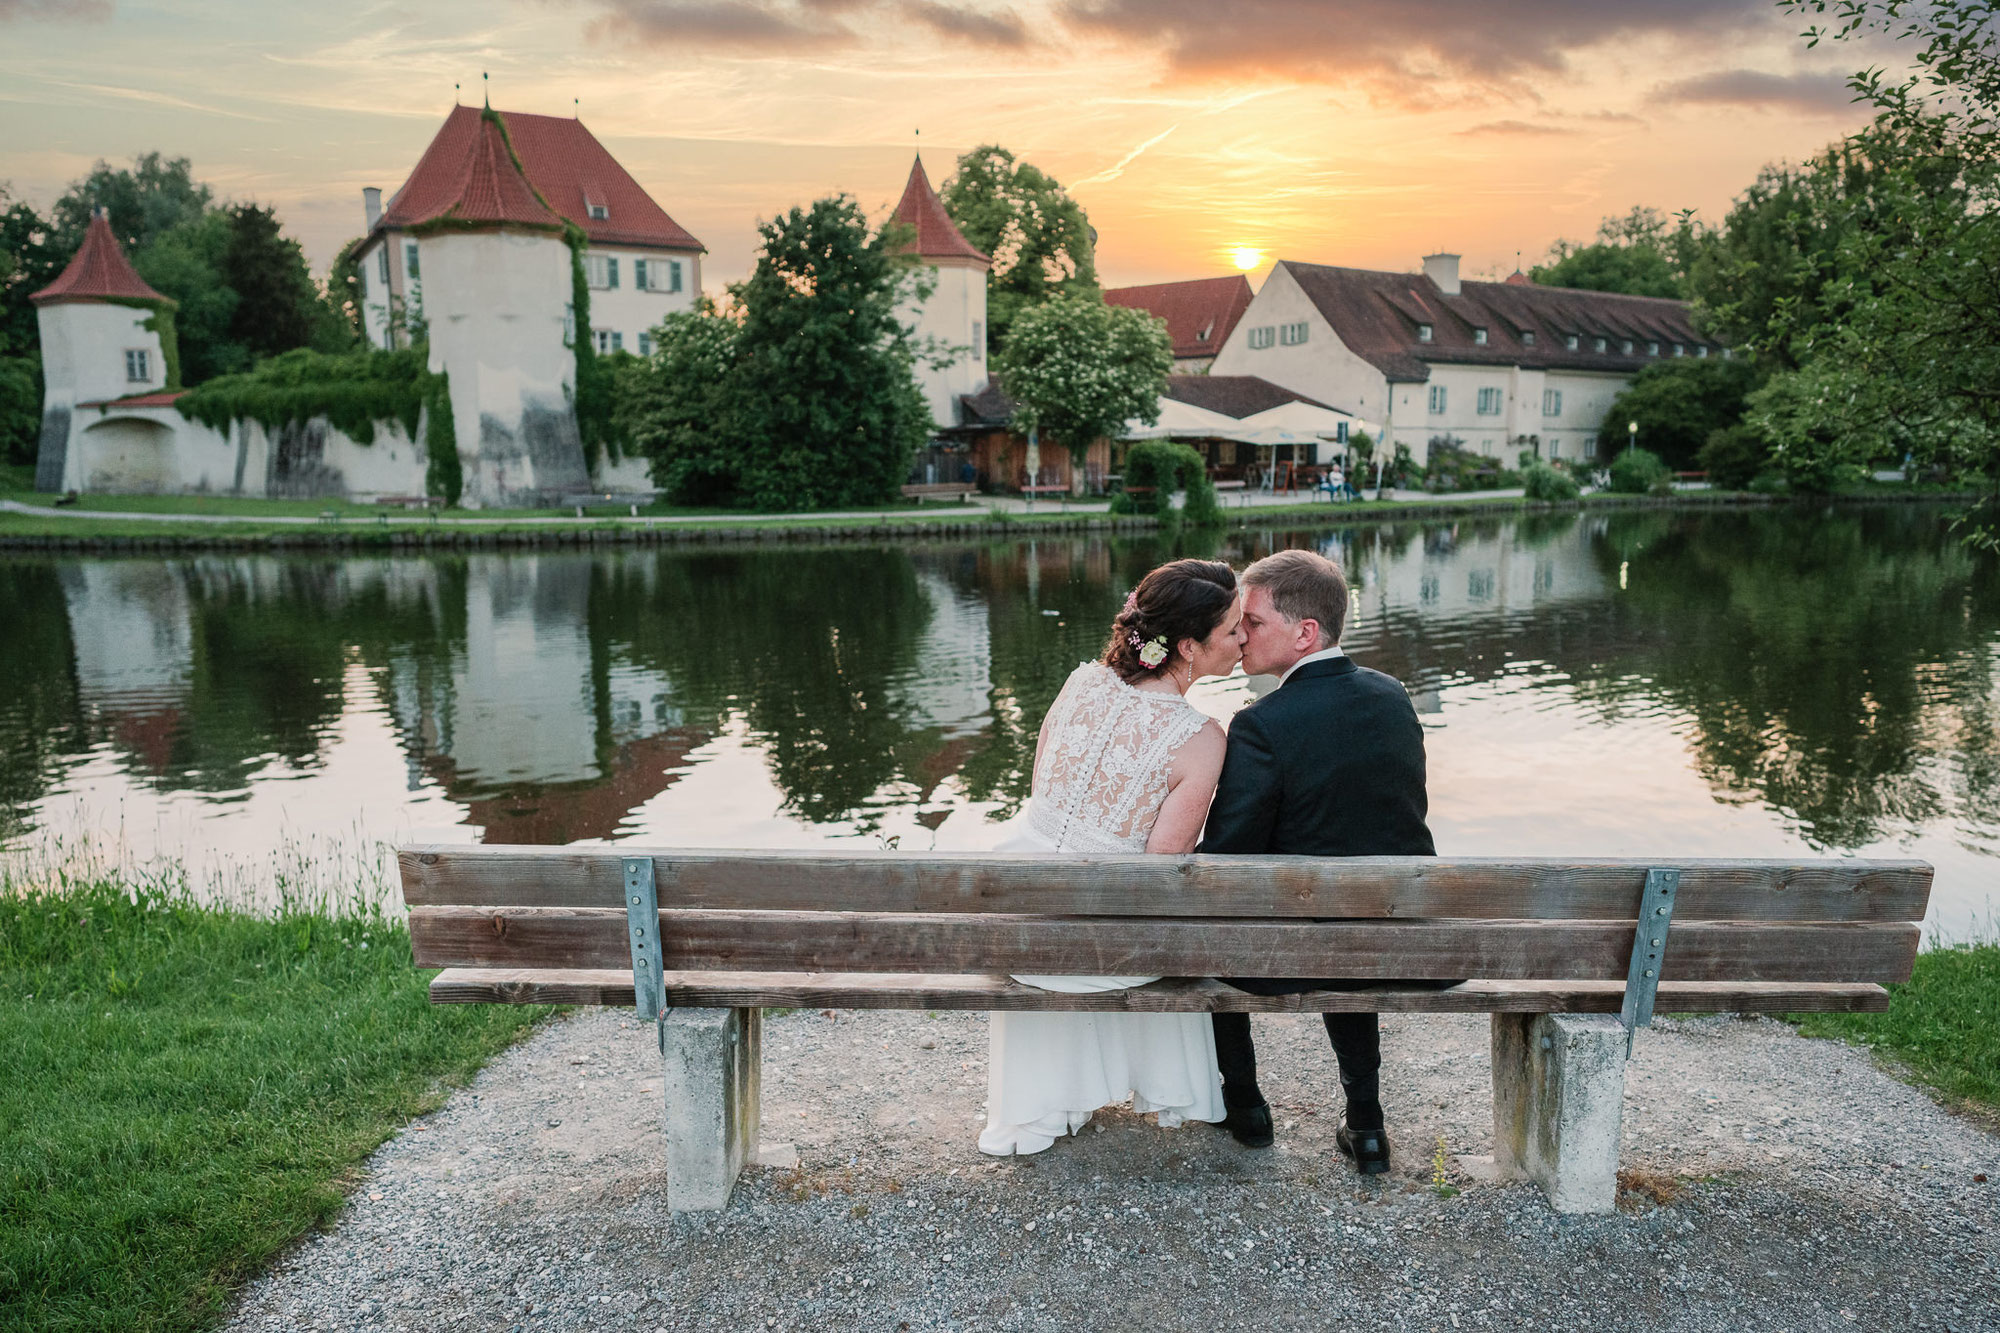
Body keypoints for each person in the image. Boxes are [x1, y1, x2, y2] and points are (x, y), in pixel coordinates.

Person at [978, 559, 1246, 1156]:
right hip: (1104, 950)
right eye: (1232, 630)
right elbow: (1161, 872)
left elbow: (1039, 790)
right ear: (1187, 647)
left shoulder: (1081, 682)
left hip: (1018, 925)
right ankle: (1166, 1085)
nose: (1244, 638)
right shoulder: (1200, 738)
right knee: (1167, 917)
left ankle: (1055, 1097)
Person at [1199, 548, 1449, 1174]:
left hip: (1295, 956)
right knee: (1347, 925)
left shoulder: (1261, 725)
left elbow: (1227, 857)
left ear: (1305, 633)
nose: (1239, 633)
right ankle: (1367, 1126)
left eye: (1252, 621)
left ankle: (1248, 1108)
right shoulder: (1393, 697)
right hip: (1407, 945)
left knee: (1208, 935)